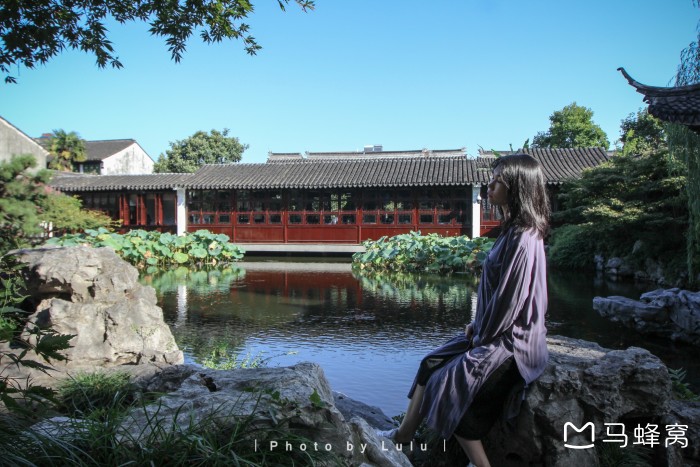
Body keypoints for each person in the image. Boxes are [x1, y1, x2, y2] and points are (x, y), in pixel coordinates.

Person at [378, 153, 550, 467]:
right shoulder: (511, 230)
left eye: (498, 180)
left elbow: (509, 301)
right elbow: (498, 297)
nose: (490, 185)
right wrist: (477, 326)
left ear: (517, 186)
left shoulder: (524, 238)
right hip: (491, 331)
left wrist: (481, 335)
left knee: (445, 386)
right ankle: (402, 437)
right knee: (430, 363)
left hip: (511, 342)